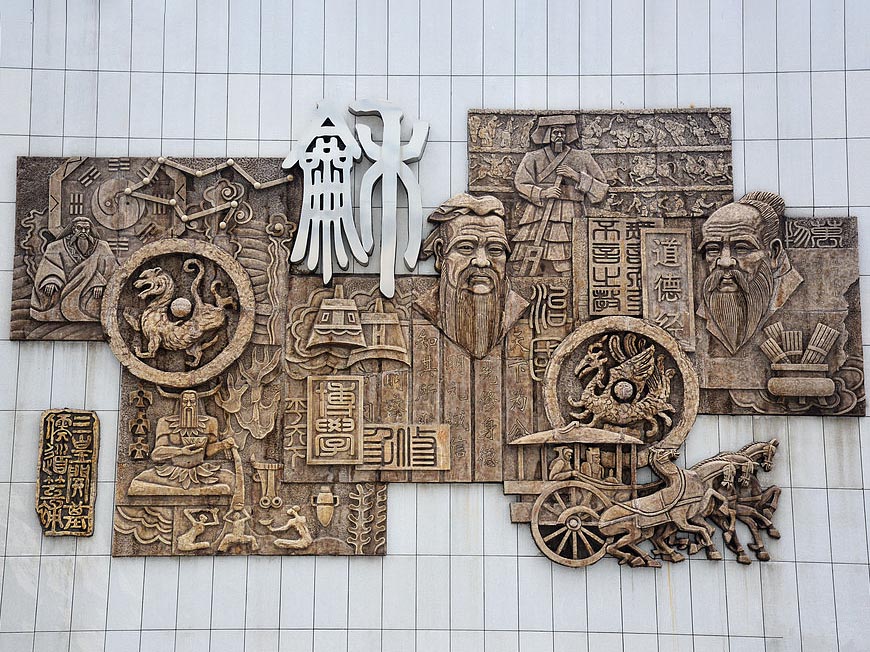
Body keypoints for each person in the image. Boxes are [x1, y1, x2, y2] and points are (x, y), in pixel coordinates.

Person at [416, 193, 529, 359]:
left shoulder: (516, 308)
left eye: (495, 249)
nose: (482, 261)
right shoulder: (426, 309)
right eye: (466, 248)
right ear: (441, 254)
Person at [697, 191, 803, 355]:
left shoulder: (797, 299)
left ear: (773, 253)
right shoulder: (708, 302)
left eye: (741, 248)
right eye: (713, 249)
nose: (725, 262)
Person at [513, 115, 608, 272]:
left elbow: (602, 188)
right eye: (555, 132)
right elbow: (520, 183)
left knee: (568, 256)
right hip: (539, 211)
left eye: (562, 132)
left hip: (570, 211)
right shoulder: (533, 157)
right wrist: (543, 192)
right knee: (527, 256)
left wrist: (575, 176)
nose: (559, 136)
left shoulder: (582, 157)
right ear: (547, 134)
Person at [128, 390, 237, 497]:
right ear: (180, 403)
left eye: (192, 402)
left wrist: (222, 445)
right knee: (138, 482)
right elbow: (156, 455)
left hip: (202, 472)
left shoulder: (210, 422)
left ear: (197, 403)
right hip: (172, 472)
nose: (188, 405)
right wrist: (180, 451)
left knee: (232, 480)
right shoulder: (165, 423)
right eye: (185, 402)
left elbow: (207, 452)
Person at [30, 216, 118, 322]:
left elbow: (112, 270)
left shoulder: (102, 247)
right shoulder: (56, 247)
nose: (83, 232)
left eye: (86, 229)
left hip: (90, 290)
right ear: (73, 229)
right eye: (79, 228)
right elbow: (49, 265)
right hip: (65, 288)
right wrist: (51, 280)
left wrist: (101, 283)